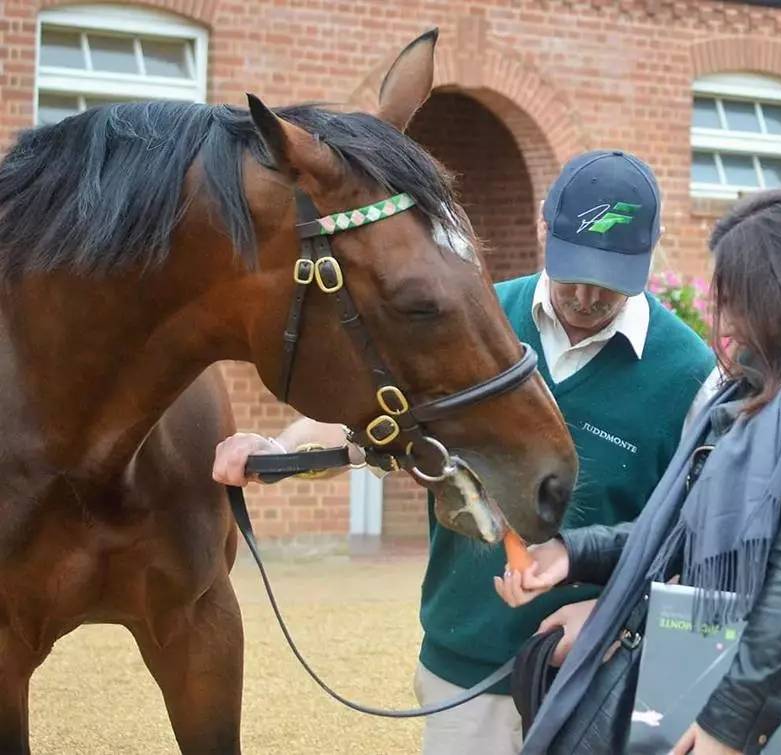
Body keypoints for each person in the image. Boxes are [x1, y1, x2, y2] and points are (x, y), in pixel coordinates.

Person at [212, 150, 716, 754]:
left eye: (609, 280)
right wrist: (280, 450)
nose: (585, 296)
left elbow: (706, 541)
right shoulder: (469, 318)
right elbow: (365, 421)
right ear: (542, 228)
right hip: (465, 667)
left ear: (651, 251)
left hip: (599, 673)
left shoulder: (691, 376)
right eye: (573, 270)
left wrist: (616, 621)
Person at [496, 189, 781, 755]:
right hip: (700, 660)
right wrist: (573, 553)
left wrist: (727, 725)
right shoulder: (758, 388)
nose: (725, 310)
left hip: (755, 690)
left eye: (737, 294)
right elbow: (682, 529)